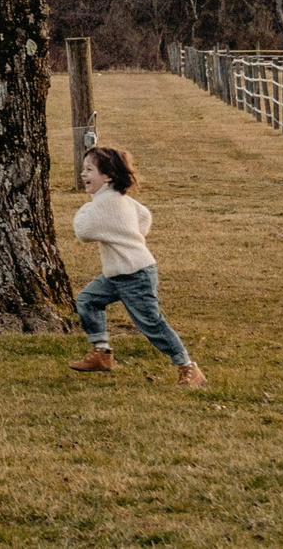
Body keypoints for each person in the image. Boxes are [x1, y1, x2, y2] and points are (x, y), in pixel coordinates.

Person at [67, 144, 206, 389]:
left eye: (89, 170)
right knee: (88, 299)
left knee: (151, 323)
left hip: (135, 275)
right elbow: (144, 215)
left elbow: (84, 232)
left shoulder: (104, 203)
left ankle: (188, 367)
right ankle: (101, 353)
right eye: (83, 169)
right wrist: (132, 236)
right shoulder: (118, 198)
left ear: (108, 176)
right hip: (118, 274)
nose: (83, 174)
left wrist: (86, 211)